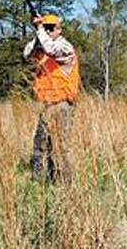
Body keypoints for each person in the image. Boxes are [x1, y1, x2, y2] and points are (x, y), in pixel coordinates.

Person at [23, 14, 80, 183]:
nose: (47, 31)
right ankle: (39, 180)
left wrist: (40, 30)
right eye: (45, 27)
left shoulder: (65, 47)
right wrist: (37, 35)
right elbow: (27, 54)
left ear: (59, 30)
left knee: (61, 146)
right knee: (40, 145)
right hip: (47, 106)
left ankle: (65, 183)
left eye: (50, 28)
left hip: (62, 105)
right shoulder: (42, 49)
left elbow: (51, 49)